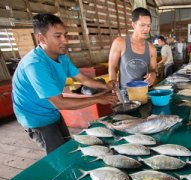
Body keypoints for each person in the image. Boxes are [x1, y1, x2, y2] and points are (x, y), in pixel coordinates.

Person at [12, 13, 118, 154]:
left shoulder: (61, 57)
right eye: (58, 36)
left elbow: (83, 79)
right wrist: (99, 98)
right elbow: (60, 102)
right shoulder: (35, 65)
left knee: (67, 147)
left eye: (65, 35)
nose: (65, 40)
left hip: (52, 111)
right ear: (41, 38)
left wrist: (106, 86)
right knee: (58, 155)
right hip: (36, 118)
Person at [108, 7, 157, 91]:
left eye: (148, 25)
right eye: (142, 25)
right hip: (124, 94)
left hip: (144, 93)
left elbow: (154, 69)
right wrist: (113, 86)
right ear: (133, 25)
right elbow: (112, 66)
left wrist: (153, 74)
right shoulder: (120, 43)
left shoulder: (151, 48)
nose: (146, 29)